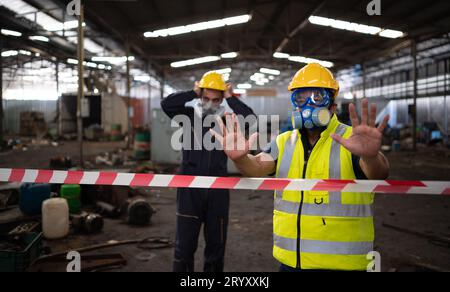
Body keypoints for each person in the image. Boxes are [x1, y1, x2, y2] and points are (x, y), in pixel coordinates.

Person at [211, 63, 390, 272]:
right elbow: (257, 166)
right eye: (301, 98)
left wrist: (370, 157)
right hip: (291, 263)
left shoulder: (351, 139)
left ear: (332, 106)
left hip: (342, 264)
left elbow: (379, 173)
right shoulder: (284, 141)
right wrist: (241, 159)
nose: (308, 105)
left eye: (317, 98)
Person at [161, 71, 255, 272]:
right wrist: (193, 92)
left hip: (218, 190)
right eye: (205, 98)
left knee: (216, 248)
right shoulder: (187, 117)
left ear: (221, 100)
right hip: (189, 189)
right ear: (200, 97)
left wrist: (232, 97)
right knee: (184, 248)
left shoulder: (227, 121)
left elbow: (250, 120)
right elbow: (167, 104)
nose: (210, 103)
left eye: (216, 99)